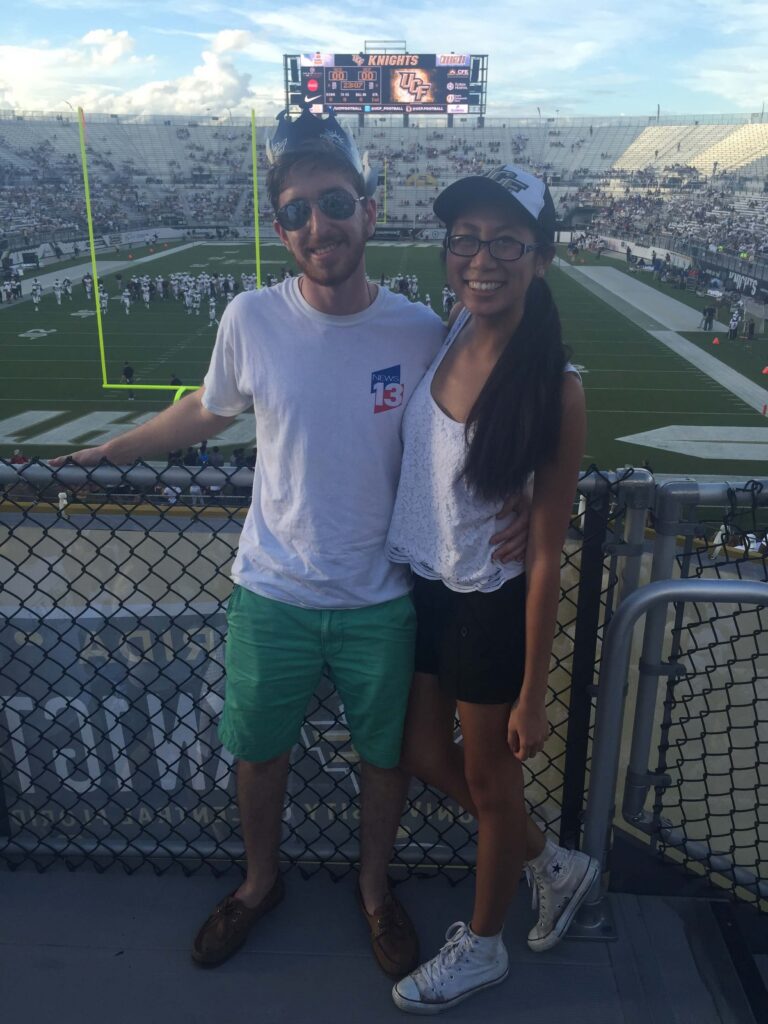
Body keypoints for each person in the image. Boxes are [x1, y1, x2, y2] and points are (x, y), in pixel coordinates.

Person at [386, 165, 599, 1013]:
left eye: (506, 242)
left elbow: (546, 553)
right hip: (429, 585)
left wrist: (534, 695)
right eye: (466, 239)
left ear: (540, 258)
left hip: (488, 606)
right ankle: (550, 861)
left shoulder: (557, 386)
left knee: (489, 787)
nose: (482, 258)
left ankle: (483, 948)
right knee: (422, 755)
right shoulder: (450, 329)